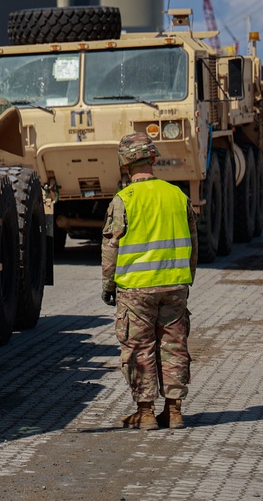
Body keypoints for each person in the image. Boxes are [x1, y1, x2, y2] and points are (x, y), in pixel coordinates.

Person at [101, 132, 196, 430]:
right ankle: (175, 411)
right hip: (176, 287)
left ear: (124, 165)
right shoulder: (178, 196)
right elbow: (194, 244)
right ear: (153, 159)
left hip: (136, 291)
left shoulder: (124, 200)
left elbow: (111, 247)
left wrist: (108, 285)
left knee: (139, 349)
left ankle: (145, 413)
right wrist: (186, 277)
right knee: (174, 347)